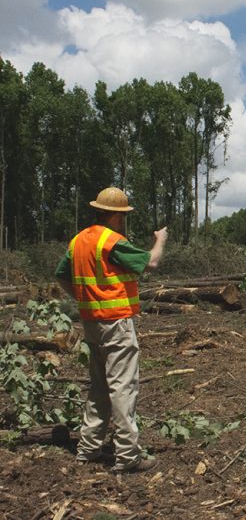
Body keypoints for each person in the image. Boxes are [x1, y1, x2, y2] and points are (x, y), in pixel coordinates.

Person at [55, 187, 168, 473]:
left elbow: (60, 275)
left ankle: (88, 449)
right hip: (116, 323)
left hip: (91, 322)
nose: (124, 220)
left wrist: (83, 299)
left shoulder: (78, 241)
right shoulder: (112, 241)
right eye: (124, 215)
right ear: (117, 216)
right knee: (123, 386)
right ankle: (128, 456)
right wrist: (160, 240)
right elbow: (151, 262)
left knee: (99, 386)